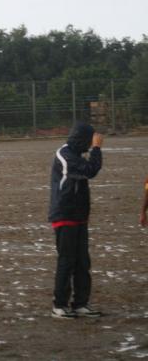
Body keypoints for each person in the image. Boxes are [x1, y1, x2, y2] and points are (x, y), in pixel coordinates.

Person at [48, 122, 103, 319]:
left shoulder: (76, 154)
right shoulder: (65, 155)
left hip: (79, 217)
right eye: (89, 140)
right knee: (67, 261)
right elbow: (90, 170)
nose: (90, 144)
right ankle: (59, 305)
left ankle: (80, 303)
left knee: (82, 262)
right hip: (65, 215)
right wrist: (96, 148)